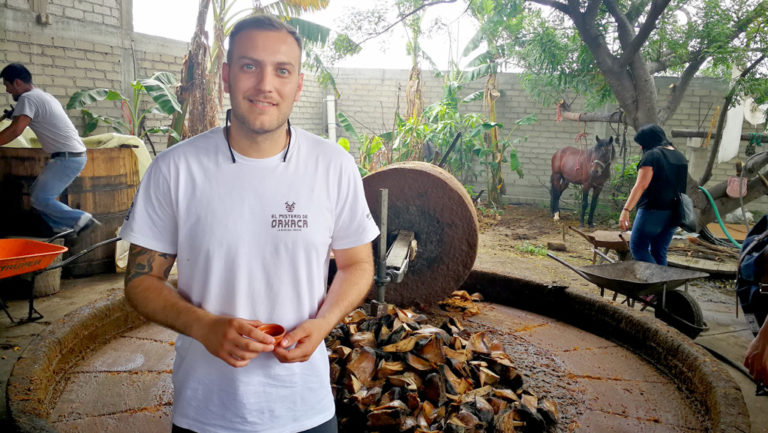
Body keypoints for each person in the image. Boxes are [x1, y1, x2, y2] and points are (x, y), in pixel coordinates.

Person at [120, 15, 379, 433]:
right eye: (248, 66)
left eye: (282, 70)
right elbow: (140, 281)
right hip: (206, 412)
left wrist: (323, 323)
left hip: (305, 409)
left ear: (298, 84)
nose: (265, 85)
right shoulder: (175, 169)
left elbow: (357, 264)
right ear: (225, 76)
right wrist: (203, 326)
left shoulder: (334, 166)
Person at [0, 63, 99, 235]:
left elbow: (16, 130)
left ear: (16, 83)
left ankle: (80, 219)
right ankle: (60, 228)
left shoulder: (27, 99)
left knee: (40, 198)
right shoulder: (42, 96)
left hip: (67, 158)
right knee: (37, 196)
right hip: (72, 155)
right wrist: (13, 113)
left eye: (7, 86)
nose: (8, 91)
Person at [619, 124, 688, 265]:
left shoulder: (652, 155)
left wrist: (626, 210)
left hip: (652, 212)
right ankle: (662, 285)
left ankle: (653, 281)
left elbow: (641, 185)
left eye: (641, 144)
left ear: (648, 141)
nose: (640, 148)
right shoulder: (679, 156)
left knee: (638, 248)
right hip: (675, 212)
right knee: (659, 251)